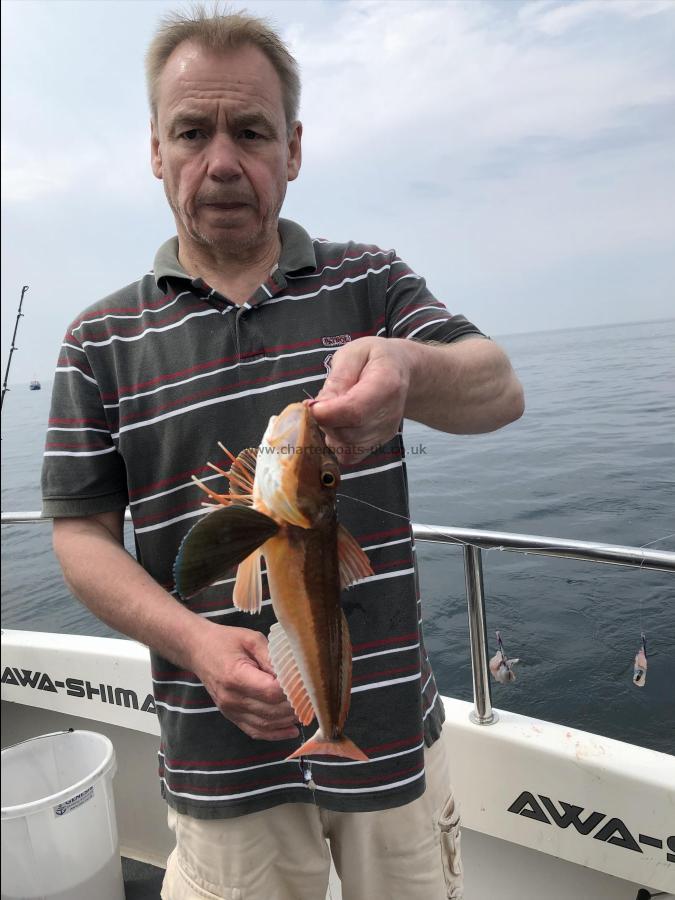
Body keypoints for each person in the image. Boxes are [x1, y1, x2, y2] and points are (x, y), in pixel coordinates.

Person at [41, 8, 524, 900]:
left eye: (251, 131)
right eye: (192, 131)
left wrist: (409, 371)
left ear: (292, 149)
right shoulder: (98, 341)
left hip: (385, 742)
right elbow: (79, 534)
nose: (221, 160)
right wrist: (197, 644)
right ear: (155, 149)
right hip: (219, 758)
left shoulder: (369, 283)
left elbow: (498, 388)